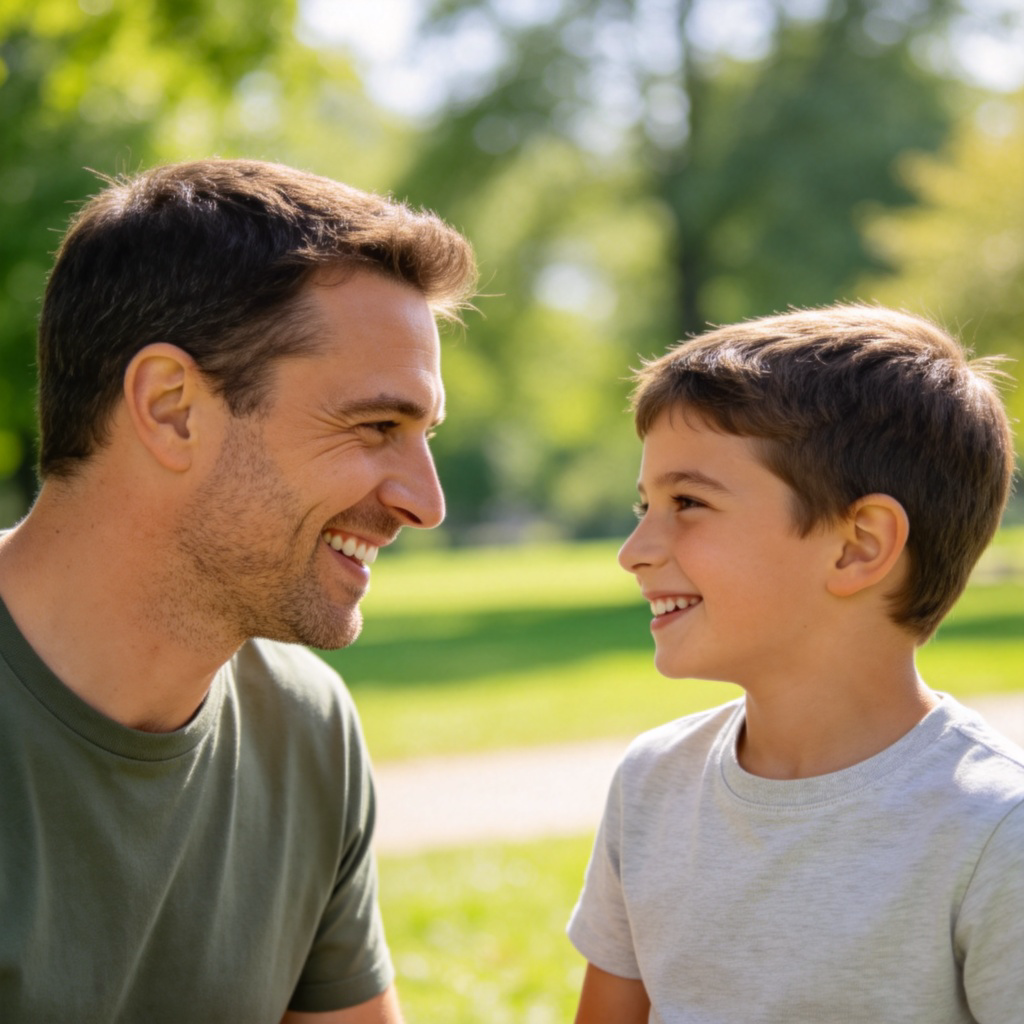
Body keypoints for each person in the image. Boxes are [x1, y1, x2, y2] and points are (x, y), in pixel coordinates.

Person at [0, 158, 476, 1023]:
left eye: (424, 434)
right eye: (376, 426)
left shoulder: (305, 727)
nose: (426, 502)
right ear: (173, 407)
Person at [567, 305, 1023, 1024]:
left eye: (687, 502)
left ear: (857, 546)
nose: (636, 551)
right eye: (643, 504)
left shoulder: (997, 832)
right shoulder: (653, 783)